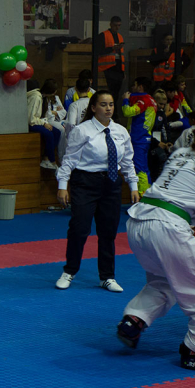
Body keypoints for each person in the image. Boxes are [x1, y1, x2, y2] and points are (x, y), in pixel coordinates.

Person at [115, 116, 195, 374]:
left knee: (165, 279)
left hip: (138, 222)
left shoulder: (180, 153)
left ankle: (135, 319)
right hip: (167, 227)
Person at [54, 90, 140, 292]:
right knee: (79, 229)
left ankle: (107, 277)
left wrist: (133, 186)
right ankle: (69, 271)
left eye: (111, 104)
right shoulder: (82, 130)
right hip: (85, 182)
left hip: (111, 183)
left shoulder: (120, 131)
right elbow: (69, 160)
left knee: (108, 232)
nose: (108, 108)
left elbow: (127, 161)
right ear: (93, 108)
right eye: (103, 104)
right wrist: (62, 186)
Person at [122, 76, 156, 195]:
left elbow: (127, 112)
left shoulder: (143, 100)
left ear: (140, 87)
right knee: (144, 168)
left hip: (138, 139)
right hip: (144, 138)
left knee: (139, 168)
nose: (132, 88)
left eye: (134, 85)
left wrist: (125, 100)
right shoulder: (151, 99)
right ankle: (148, 194)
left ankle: (142, 195)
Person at [28, 79, 66, 170]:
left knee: (57, 132)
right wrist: (44, 123)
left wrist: (45, 122)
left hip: (39, 122)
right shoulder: (36, 97)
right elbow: (31, 119)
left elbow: (45, 115)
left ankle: (46, 158)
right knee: (49, 134)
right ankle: (52, 161)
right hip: (31, 124)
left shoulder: (44, 98)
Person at [96, 16, 126, 103]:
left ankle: (114, 108)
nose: (117, 27)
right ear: (111, 24)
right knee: (110, 91)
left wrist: (123, 70)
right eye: (115, 25)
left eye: (119, 25)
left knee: (116, 92)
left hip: (118, 67)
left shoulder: (120, 37)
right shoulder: (103, 35)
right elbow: (98, 51)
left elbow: (121, 55)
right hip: (108, 68)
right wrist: (112, 48)